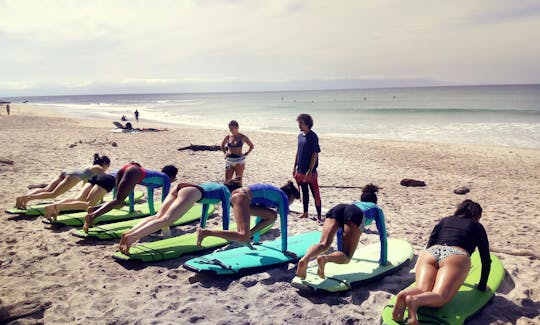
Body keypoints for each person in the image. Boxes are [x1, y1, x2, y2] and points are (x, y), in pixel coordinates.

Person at [392, 199, 491, 325]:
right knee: (440, 296)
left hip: (431, 253)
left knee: (422, 288)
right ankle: (414, 301)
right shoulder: (477, 226)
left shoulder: (445, 220)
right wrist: (482, 286)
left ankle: (404, 294)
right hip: (456, 254)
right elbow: (485, 259)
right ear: (477, 216)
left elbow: (430, 244)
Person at [118, 180, 241, 254]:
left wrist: (202, 228)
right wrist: (226, 234)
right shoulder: (225, 192)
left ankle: (128, 234)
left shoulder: (217, 187)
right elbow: (226, 213)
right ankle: (132, 238)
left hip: (181, 187)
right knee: (166, 220)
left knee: (158, 216)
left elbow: (205, 206)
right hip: (191, 192)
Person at [295, 184, 387, 279]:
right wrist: (384, 260)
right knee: (346, 257)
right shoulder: (376, 208)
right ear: (375, 201)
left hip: (339, 208)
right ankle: (324, 259)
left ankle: (305, 258)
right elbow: (383, 235)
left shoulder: (355, 203)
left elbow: (341, 229)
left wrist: (340, 249)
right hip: (355, 214)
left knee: (323, 244)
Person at [197, 181, 300, 251]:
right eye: (293, 200)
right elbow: (284, 224)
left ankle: (248, 238)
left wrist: (256, 241)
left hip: (240, 197)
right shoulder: (283, 198)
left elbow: (260, 216)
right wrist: (284, 250)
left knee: (272, 216)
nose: (291, 202)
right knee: (242, 235)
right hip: (241, 197)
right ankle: (205, 232)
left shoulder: (274, 195)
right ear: (291, 196)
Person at [82, 163, 178, 232]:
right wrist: (164, 218)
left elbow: (148, 198)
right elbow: (165, 200)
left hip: (125, 169)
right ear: (172, 176)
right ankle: (91, 216)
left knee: (117, 201)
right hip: (134, 171)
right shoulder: (165, 178)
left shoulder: (155, 179)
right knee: (118, 200)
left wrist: (152, 215)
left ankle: (93, 210)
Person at [15, 154, 111, 209]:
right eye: (108, 166)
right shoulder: (100, 169)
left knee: (47, 189)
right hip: (74, 176)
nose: (107, 168)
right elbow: (101, 183)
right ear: (105, 164)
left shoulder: (91, 166)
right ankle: (27, 199)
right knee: (53, 194)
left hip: (68, 171)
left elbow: (87, 182)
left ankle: (23, 197)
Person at [44, 174, 116, 221]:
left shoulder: (122, 169)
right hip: (108, 180)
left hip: (97, 176)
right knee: (89, 205)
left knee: (79, 199)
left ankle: (53, 205)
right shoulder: (127, 175)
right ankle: (57, 207)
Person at [293, 113, 322, 221]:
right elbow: (298, 152)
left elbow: (315, 154)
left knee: (315, 193)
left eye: (301, 123)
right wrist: (294, 166)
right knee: (304, 192)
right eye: (299, 123)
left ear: (307, 124)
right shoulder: (300, 136)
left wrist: (310, 170)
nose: (299, 125)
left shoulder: (313, 136)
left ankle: (319, 215)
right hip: (300, 170)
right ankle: (305, 212)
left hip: (310, 172)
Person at [221, 120, 254, 184]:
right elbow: (222, 145)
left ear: (237, 127)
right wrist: (225, 153)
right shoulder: (228, 136)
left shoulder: (242, 137)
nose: (231, 130)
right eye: (230, 128)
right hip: (229, 160)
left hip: (239, 160)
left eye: (233, 128)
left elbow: (251, 146)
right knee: (227, 181)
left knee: (238, 181)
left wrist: (246, 153)